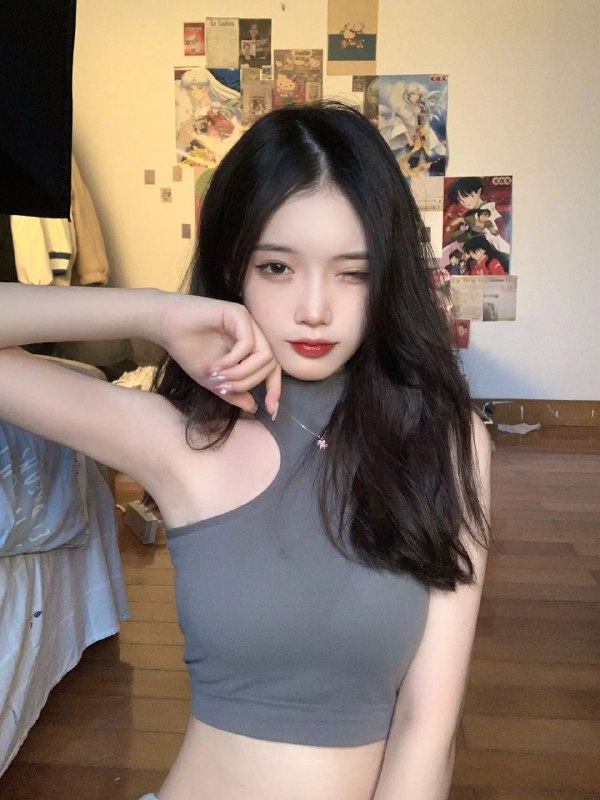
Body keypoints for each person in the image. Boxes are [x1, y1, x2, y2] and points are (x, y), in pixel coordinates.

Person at [0, 101, 491, 800]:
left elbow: (428, 726)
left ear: (387, 277)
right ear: (234, 266)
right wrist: (155, 313)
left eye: (352, 272)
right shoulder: (177, 440)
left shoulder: (445, 438)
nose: (315, 308)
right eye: (278, 267)